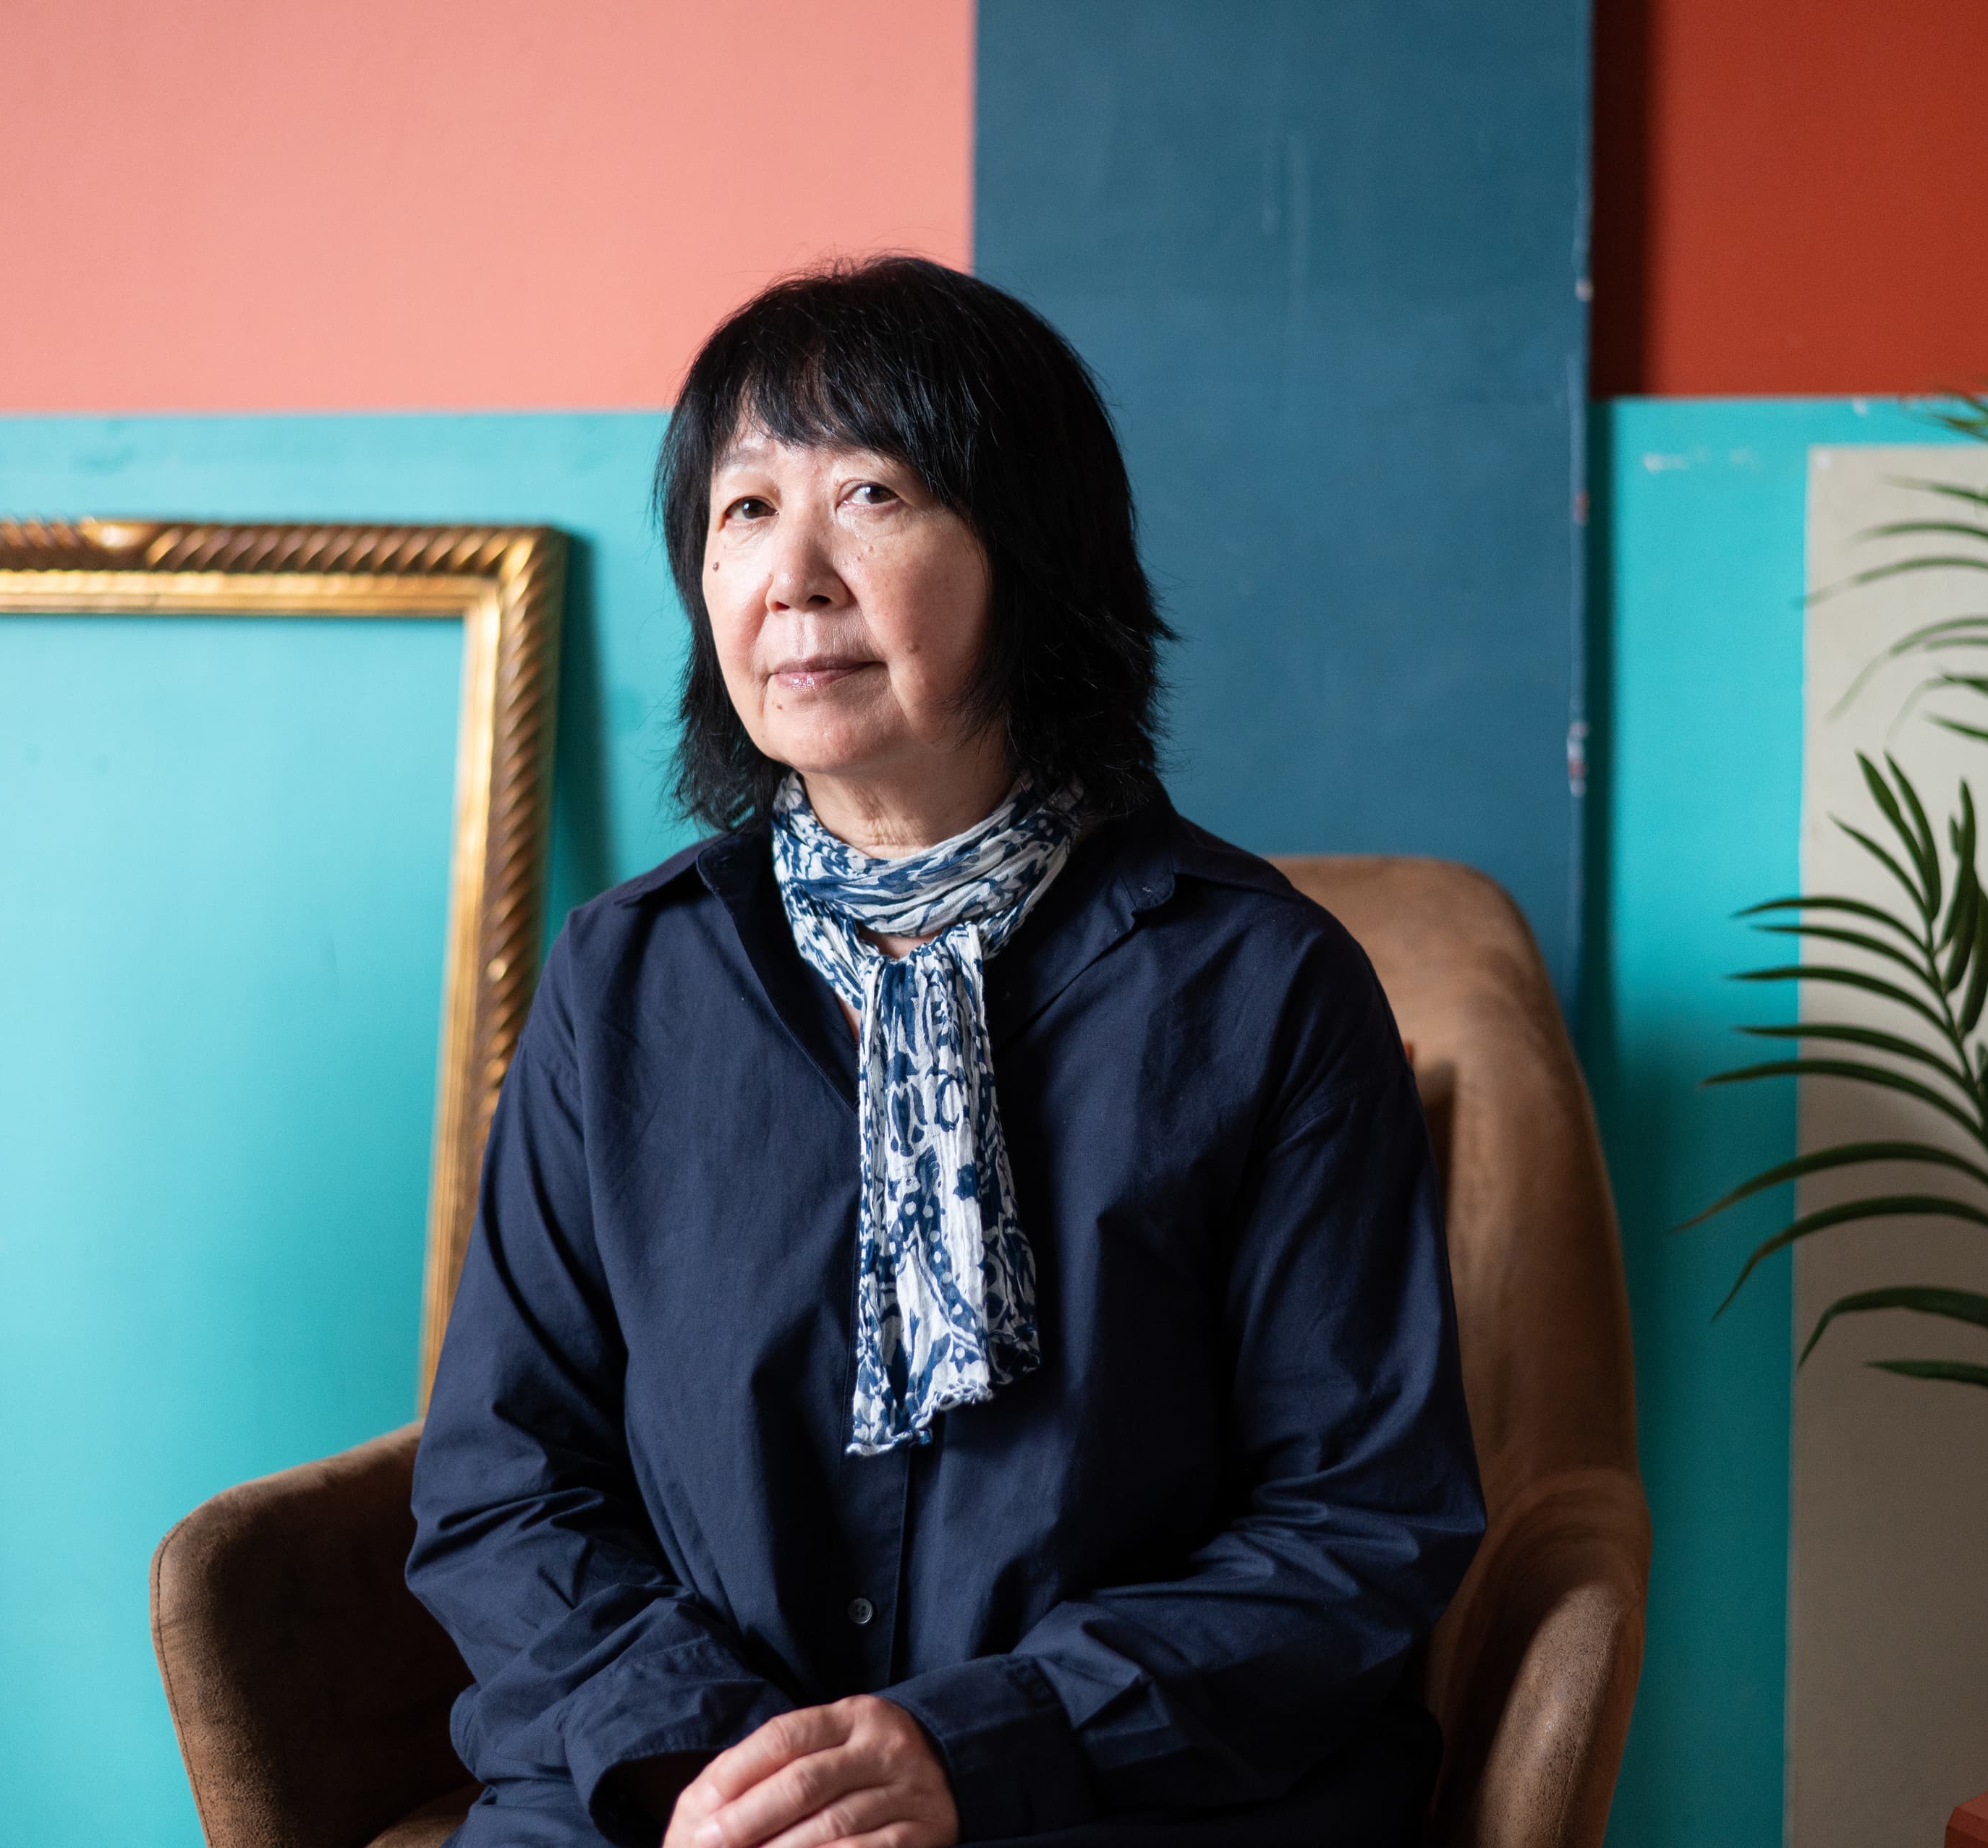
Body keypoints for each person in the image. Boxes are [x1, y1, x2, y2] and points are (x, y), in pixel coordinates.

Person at [407, 255, 1484, 1848]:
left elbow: (1358, 1526)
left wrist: (976, 1747)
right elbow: (507, 1483)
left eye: (873, 496)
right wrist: (727, 1769)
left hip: (1118, 1789)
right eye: (744, 510)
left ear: (1029, 559)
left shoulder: (1260, 989)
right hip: (681, 1794)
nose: (794, 576)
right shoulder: (622, 980)